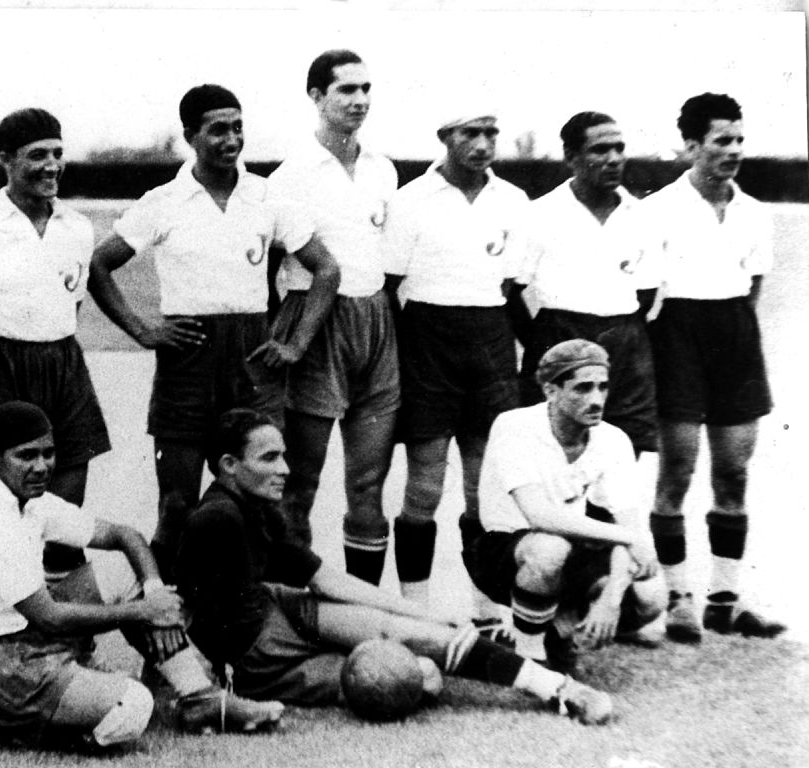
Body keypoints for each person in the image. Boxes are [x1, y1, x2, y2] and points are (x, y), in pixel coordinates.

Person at [173, 408, 616, 725]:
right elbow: (177, 602)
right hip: (257, 656)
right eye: (269, 458)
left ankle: (556, 688)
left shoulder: (255, 502)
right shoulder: (216, 517)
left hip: (276, 607)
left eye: (283, 455)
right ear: (229, 466)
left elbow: (324, 579)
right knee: (407, 678)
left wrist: (419, 611)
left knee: (407, 631)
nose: (286, 468)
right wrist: (201, 670)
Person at [0, 401, 285, 750]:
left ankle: (200, 699)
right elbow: (48, 616)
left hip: (22, 639)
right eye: (26, 456)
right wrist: (143, 612)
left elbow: (124, 535)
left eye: (48, 453)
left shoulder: (31, 502)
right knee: (133, 706)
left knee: (127, 570)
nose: (41, 466)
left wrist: (153, 591)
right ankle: (50, 723)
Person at [88, 84, 339, 576]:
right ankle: (167, 624)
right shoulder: (164, 201)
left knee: (263, 501)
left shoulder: (267, 196)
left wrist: (296, 343)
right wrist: (143, 331)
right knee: (177, 505)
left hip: (252, 363)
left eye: (237, 127)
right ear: (190, 136)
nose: (231, 139)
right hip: (188, 361)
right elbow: (99, 265)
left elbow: (326, 270)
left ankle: (259, 623)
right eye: (218, 129)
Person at [0, 107, 110, 586]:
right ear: (6, 159)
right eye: (37, 156)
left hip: (64, 364)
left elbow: (69, 308)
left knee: (65, 518)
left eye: (57, 154)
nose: (51, 165)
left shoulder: (77, 227)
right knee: (0, 521)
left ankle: (68, 639)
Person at [640, 93, 784, 642]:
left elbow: (754, 288)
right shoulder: (655, 210)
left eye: (739, 139)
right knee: (676, 472)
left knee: (733, 473)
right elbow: (643, 290)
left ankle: (725, 598)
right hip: (677, 336)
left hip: (735, 339)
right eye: (722, 140)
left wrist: (733, 342)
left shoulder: (756, 211)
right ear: (691, 146)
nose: (734, 150)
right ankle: (679, 597)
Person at [383, 111, 529, 629]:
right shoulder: (410, 199)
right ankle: (413, 612)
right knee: (424, 484)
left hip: (489, 343)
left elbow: (511, 285)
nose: (484, 143)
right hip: (427, 342)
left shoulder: (512, 200)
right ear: (445, 137)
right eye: (471, 133)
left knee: (483, 487)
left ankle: (487, 610)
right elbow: (388, 284)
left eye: (492, 133)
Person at [267, 49, 400, 584]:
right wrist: (288, 335)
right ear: (317, 97)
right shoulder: (289, 176)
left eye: (366, 88)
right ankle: (290, 605)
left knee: (368, 483)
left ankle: (366, 609)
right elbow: (270, 270)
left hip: (375, 323)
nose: (360, 100)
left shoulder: (382, 169)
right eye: (346, 90)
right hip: (315, 323)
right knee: (299, 482)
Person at [464, 340, 667, 672]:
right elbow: (538, 514)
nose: (596, 399)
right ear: (550, 390)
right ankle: (530, 655)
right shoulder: (514, 427)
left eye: (602, 387)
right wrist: (628, 537)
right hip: (503, 553)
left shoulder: (613, 439)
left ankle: (560, 630)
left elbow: (627, 521)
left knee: (652, 596)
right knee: (549, 549)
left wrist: (610, 598)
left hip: (570, 550)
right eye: (582, 389)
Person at [512, 112, 659, 457]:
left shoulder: (642, 216)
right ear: (571, 157)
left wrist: (621, 331)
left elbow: (646, 292)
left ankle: (605, 514)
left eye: (619, 149)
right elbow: (511, 292)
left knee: (623, 452)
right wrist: (539, 342)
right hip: (560, 335)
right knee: (554, 450)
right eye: (600, 150)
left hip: (625, 339)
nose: (613, 159)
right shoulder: (540, 214)